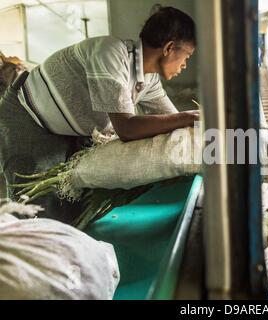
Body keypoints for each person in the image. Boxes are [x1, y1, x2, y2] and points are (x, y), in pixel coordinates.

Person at [0, 6, 198, 223]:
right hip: (28, 117)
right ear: (169, 48)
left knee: (72, 203)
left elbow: (170, 120)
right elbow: (126, 128)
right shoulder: (111, 52)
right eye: (186, 56)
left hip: (70, 129)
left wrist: (191, 123)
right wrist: (189, 117)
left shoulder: (149, 80)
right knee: (34, 205)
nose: (185, 65)